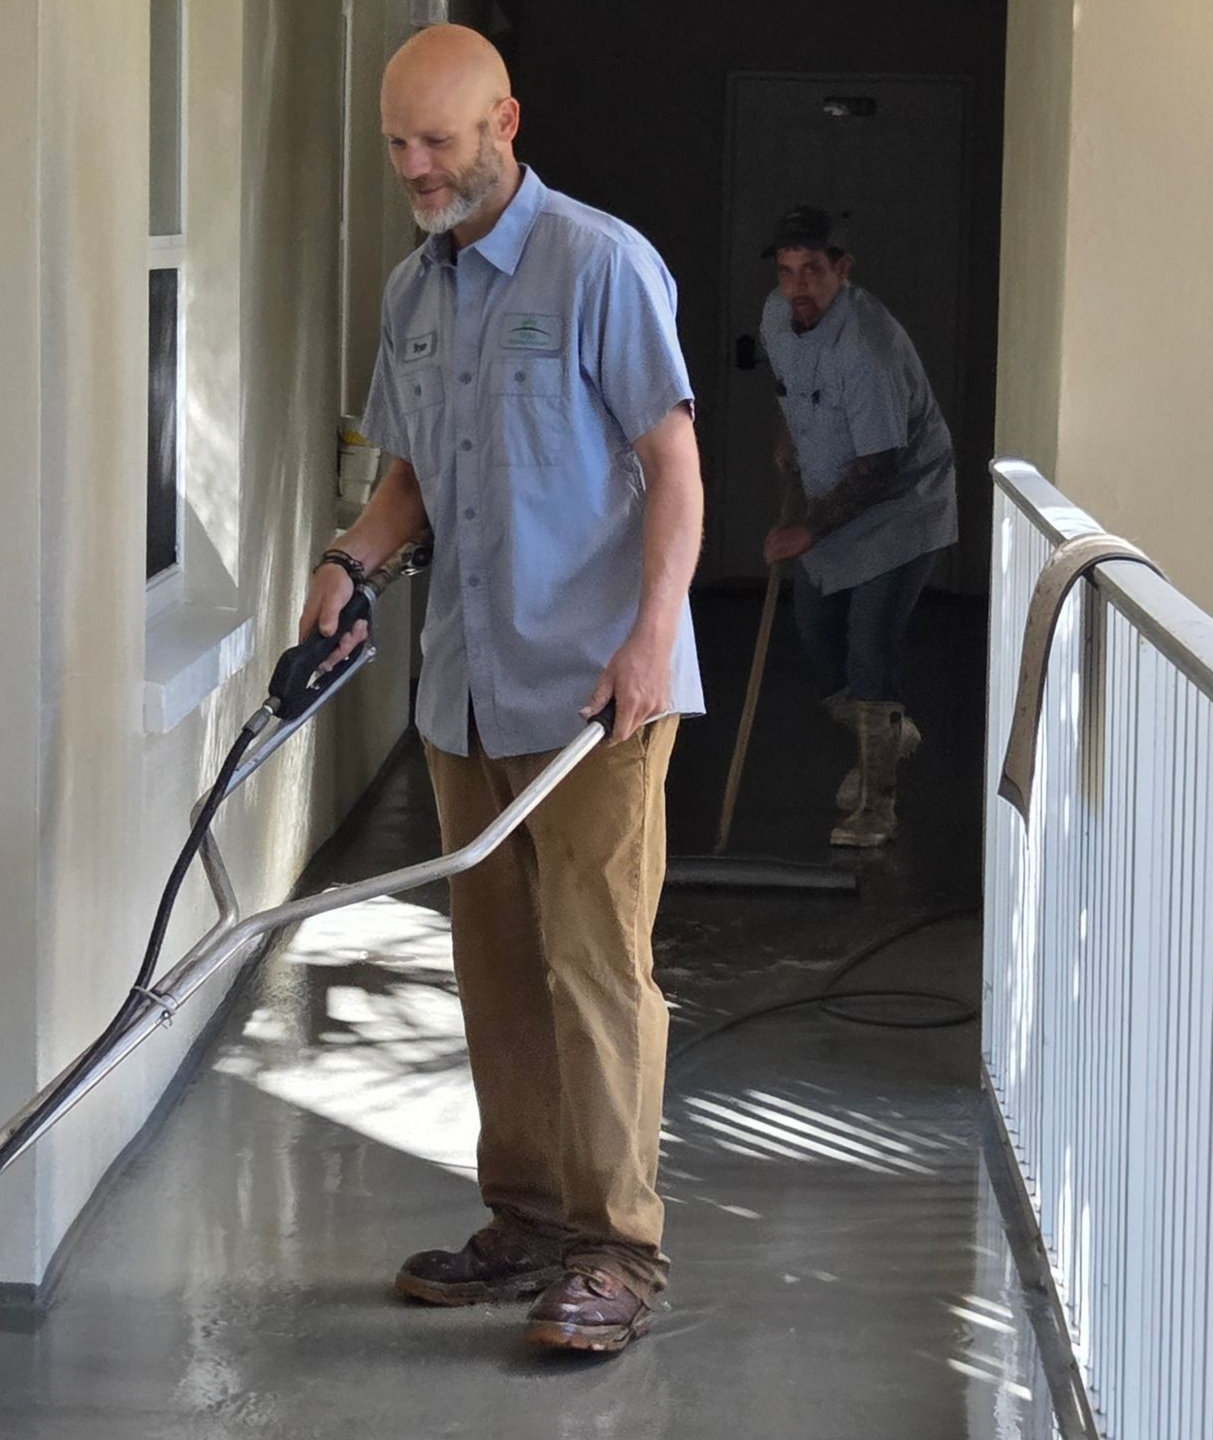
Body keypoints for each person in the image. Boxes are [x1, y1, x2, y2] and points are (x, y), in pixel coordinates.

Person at [297, 24, 704, 1353]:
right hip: (464, 689)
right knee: (497, 972)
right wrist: (350, 560)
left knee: (598, 970)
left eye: (438, 142)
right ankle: (527, 1221)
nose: (416, 167)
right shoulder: (415, 294)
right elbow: (408, 474)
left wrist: (651, 639)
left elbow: (677, 468)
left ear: (506, 122)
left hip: (596, 697)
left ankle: (619, 1251)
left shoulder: (601, 265)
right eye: (398, 146)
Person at [758, 205, 958, 847]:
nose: (798, 287)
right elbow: (791, 382)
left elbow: (880, 466)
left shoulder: (865, 347)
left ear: (842, 270)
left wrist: (807, 533)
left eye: (813, 270)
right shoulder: (776, 317)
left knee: (869, 645)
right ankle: (890, 735)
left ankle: (877, 806)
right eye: (787, 271)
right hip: (831, 493)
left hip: (901, 507)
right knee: (818, 638)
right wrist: (791, 433)